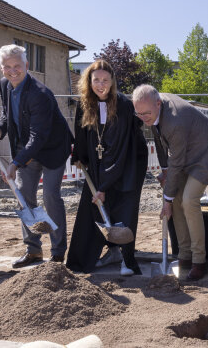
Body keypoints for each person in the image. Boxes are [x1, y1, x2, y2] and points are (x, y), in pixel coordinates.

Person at [132, 85, 208, 281]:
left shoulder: (175, 121)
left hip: (207, 153)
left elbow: (176, 162)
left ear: (158, 103)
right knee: (175, 199)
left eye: (147, 113)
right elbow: (158, 141)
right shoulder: (152, 108)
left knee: (188, 200)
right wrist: (164, 174)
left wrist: (166, 197)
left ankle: (199, 260)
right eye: (139, 113)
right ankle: (185, 255)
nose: (143, 118)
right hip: (187, 153)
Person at [0, 44, 72, 268]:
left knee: (50, 196)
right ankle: (33, 251)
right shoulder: (5, 85)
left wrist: (15, 164)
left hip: (52, 149)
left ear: (26, 65)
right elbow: (8, 115)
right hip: (26, 149)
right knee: (24, 196)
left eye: (17, 65)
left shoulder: (40, 94)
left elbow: (39, 136)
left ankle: (57, 253)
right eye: (7, 66)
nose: (12, 70)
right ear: (1, 68)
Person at [66, 60, 148, 276]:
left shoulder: (122, 105)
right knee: (95, 207)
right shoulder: (86, 103)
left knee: (124, 209)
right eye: (96, 80)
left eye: (105, 80)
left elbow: (120, 150)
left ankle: (126, 260)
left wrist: (103, 186)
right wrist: (79, 157)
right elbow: (82, 133)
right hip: (99, 163)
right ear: (89, 81)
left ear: (112, 82)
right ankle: (110, 253)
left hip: (129, 162)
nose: (100, 85)